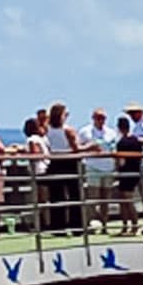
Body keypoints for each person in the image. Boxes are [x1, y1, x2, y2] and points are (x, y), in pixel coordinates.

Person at [41, 102, 85, 239]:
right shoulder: (68, 130)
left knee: (56, 197)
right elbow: (76, 148)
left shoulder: (48, 129)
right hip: (69, 162)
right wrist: (92, 147)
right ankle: (76, 227)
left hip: (55, 161)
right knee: (74, 195)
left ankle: (57, 227)